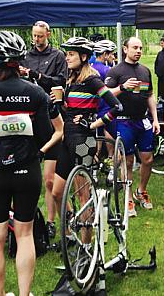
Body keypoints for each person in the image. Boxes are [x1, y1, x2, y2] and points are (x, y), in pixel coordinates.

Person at [0, 31, 53, 296]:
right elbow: (45, 135)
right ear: (20, 61)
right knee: (25, 234)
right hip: (26, 169)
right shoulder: (35, 92)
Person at [51, 37, 122, 219]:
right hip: (67, 138)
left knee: (83, 196)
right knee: (57, 192)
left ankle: (87, 243)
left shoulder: (92, 80)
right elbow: (72, 108)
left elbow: (116, 106)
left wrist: (93, 124)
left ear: (83, 57)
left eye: (71, 54)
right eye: (67, 54)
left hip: (84, 141)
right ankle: (69, 234)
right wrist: (59, 104)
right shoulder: (71, 80)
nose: (67, 58)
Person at [20, 21, 67, 239]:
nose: (37, 40)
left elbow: (61, 82)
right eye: (34, 36)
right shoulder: (26, 55)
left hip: (52, 115)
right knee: (25, 176)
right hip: (29, 117)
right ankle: (25, 219)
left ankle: (50, 221)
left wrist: (37, 77)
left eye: (40, 36)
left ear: (48, 34)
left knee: (49, 179)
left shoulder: (57, 55)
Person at [104, 37, 159, 217]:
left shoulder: (145, 70)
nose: (138, 51)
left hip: (143, 121)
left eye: (141, 48)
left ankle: (140, 191)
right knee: (127, 161)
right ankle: (127, 196)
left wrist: (155, 119)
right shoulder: (116, 70)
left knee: (148, 159)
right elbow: (105, 94)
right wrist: (122, 87)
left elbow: (150, 95)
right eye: (135, 47)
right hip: (123, 121)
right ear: (125, 49)